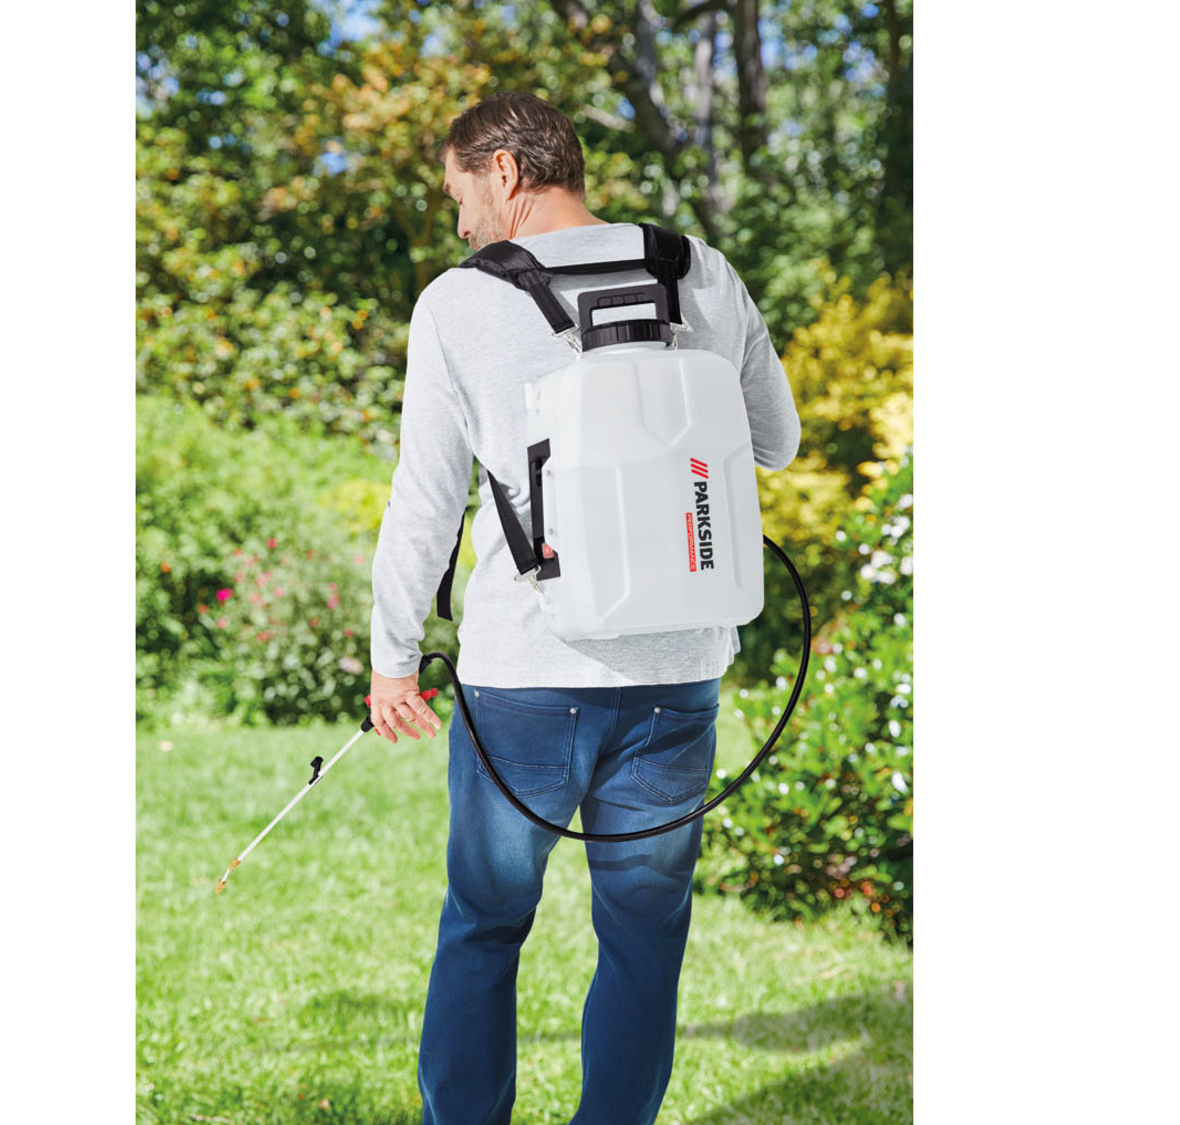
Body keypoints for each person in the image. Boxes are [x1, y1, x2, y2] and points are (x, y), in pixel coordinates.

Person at [366, 91, 800, 1125]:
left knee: (485, 925)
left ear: (505, 171)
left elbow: (426, 500)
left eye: (458, 195)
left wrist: (393, 657)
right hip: (678, 674)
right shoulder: (701, 268)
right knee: (645, 935)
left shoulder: (460, 302)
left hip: (525, 675)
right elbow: (775, 443)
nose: (459, 222)